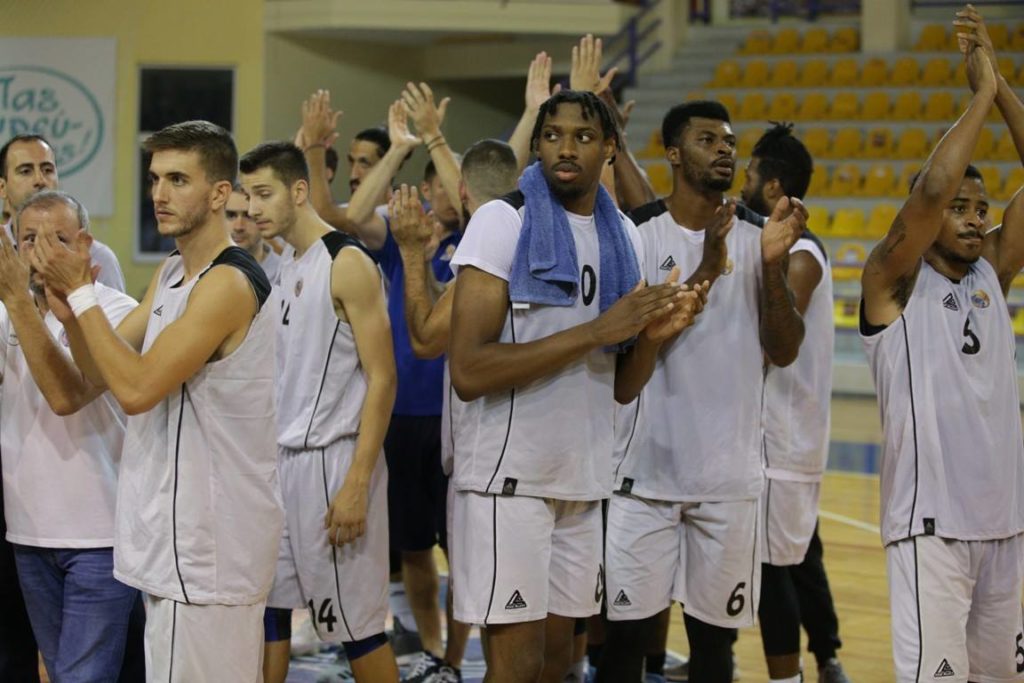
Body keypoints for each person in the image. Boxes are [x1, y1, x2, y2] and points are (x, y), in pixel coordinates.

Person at [448, 88, 703, 683]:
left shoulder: (624, 237)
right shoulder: (502, 221)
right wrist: (596, 331)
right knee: (516, 668)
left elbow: (620, 387)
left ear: (610, 148)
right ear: (537, 146)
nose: (566, 148)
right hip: (509, 481)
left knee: (558, 663)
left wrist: (651, 339)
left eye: (583, 137)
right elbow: (468, 371)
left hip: (582, 481)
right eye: (553, 135)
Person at [31, 120, 284, 681]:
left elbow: (138, 390)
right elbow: (97, 376)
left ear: (219, 193)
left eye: (178, 179)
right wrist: (70, 316)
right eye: (155, 179)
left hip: (212, 548)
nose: (159, 194)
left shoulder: (227, 283)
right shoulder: (172, 272)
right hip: (174, 546)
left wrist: (83, 293)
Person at [600, 100, 806, 683]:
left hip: (728, 482)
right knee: (623, 647)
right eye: (707, 139)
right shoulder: (636, 233)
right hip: (642, 478)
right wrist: (710, 266)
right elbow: (629, 344)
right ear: (673, 153)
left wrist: (771, 267)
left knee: (714, 652)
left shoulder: (761, 235)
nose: (723, 150)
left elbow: (785, 348)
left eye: (729, 142)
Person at [861, 11, 1024, 680]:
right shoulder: (891, 279)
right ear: (925, 219)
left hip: (1006, 526)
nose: (976, 218)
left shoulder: (993, 272)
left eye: (982, 208)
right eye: (960, 207)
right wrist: (979, 98)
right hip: (930, 530)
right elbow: (931, 186)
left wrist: (1001, 86)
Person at [239, 141, 399, 683]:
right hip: (282, 464)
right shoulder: (285, 263)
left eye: (264, 194)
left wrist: (357, 482)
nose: (253, 208)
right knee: (269, 610)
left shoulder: (347, 263)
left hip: (335, 463)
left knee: (355, 628)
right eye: (248, 195)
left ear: (299, 191)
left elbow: (383, 378)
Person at [388, 138, 521, 682]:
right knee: (528, 613)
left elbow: (426, 337)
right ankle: (441, 658)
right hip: (537, 453)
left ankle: (453, 662)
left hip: (489, 453)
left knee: (496, 602)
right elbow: (453, 304)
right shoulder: (544, 231)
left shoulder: (487, 243)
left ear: (462, 191)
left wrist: (409, 254)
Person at [0, 190, 144, 682]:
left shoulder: (118, 311)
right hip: (28, 532)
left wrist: (17, 300)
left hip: (101, 536)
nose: (41, 254)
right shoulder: (8, 313)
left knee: (84, 676)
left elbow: (66, 396)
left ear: (85, 244)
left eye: (58, 240)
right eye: (29, 240)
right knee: (63, 672)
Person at [740, 123, 846, 683]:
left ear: (773, 186)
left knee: (771, 566)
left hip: (784, 439)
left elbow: (778, 342)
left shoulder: (800, 255)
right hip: (780, 440)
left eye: (749, 176)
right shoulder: (783, 247)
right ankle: (828, 657)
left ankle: (792, 674)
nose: (742, 185)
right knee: (803, 554)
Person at [0, 134, 126, 293]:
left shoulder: (97, 256)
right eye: (26, 171)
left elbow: (114, 309)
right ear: (2, 187)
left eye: (47, 170)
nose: (40, 180)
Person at [227, 183, 281, 284]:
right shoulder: (203, 270)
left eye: (248, 216)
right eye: (231, 215)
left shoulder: (284, 273)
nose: (238, 227)